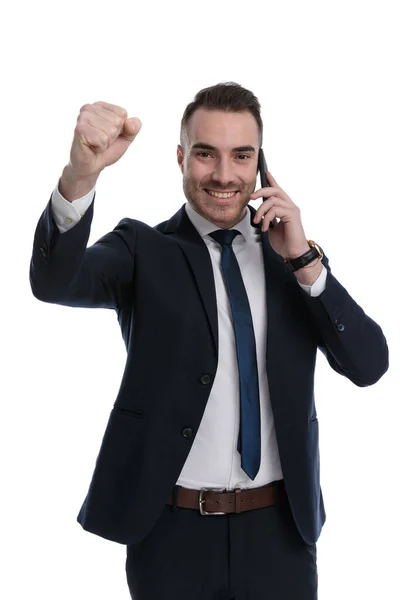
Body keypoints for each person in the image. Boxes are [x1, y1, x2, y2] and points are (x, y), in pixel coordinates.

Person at [29, 82, 389, 600]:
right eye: (206, 154)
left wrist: (305, 262)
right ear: (180, 157)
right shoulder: (142, 248)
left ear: (260, 164)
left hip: (280, 534)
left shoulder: (289, 258)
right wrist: (80, 175)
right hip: (172, 533)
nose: (224, 175)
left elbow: (369, 364)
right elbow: (54, 283)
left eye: (242, 156)